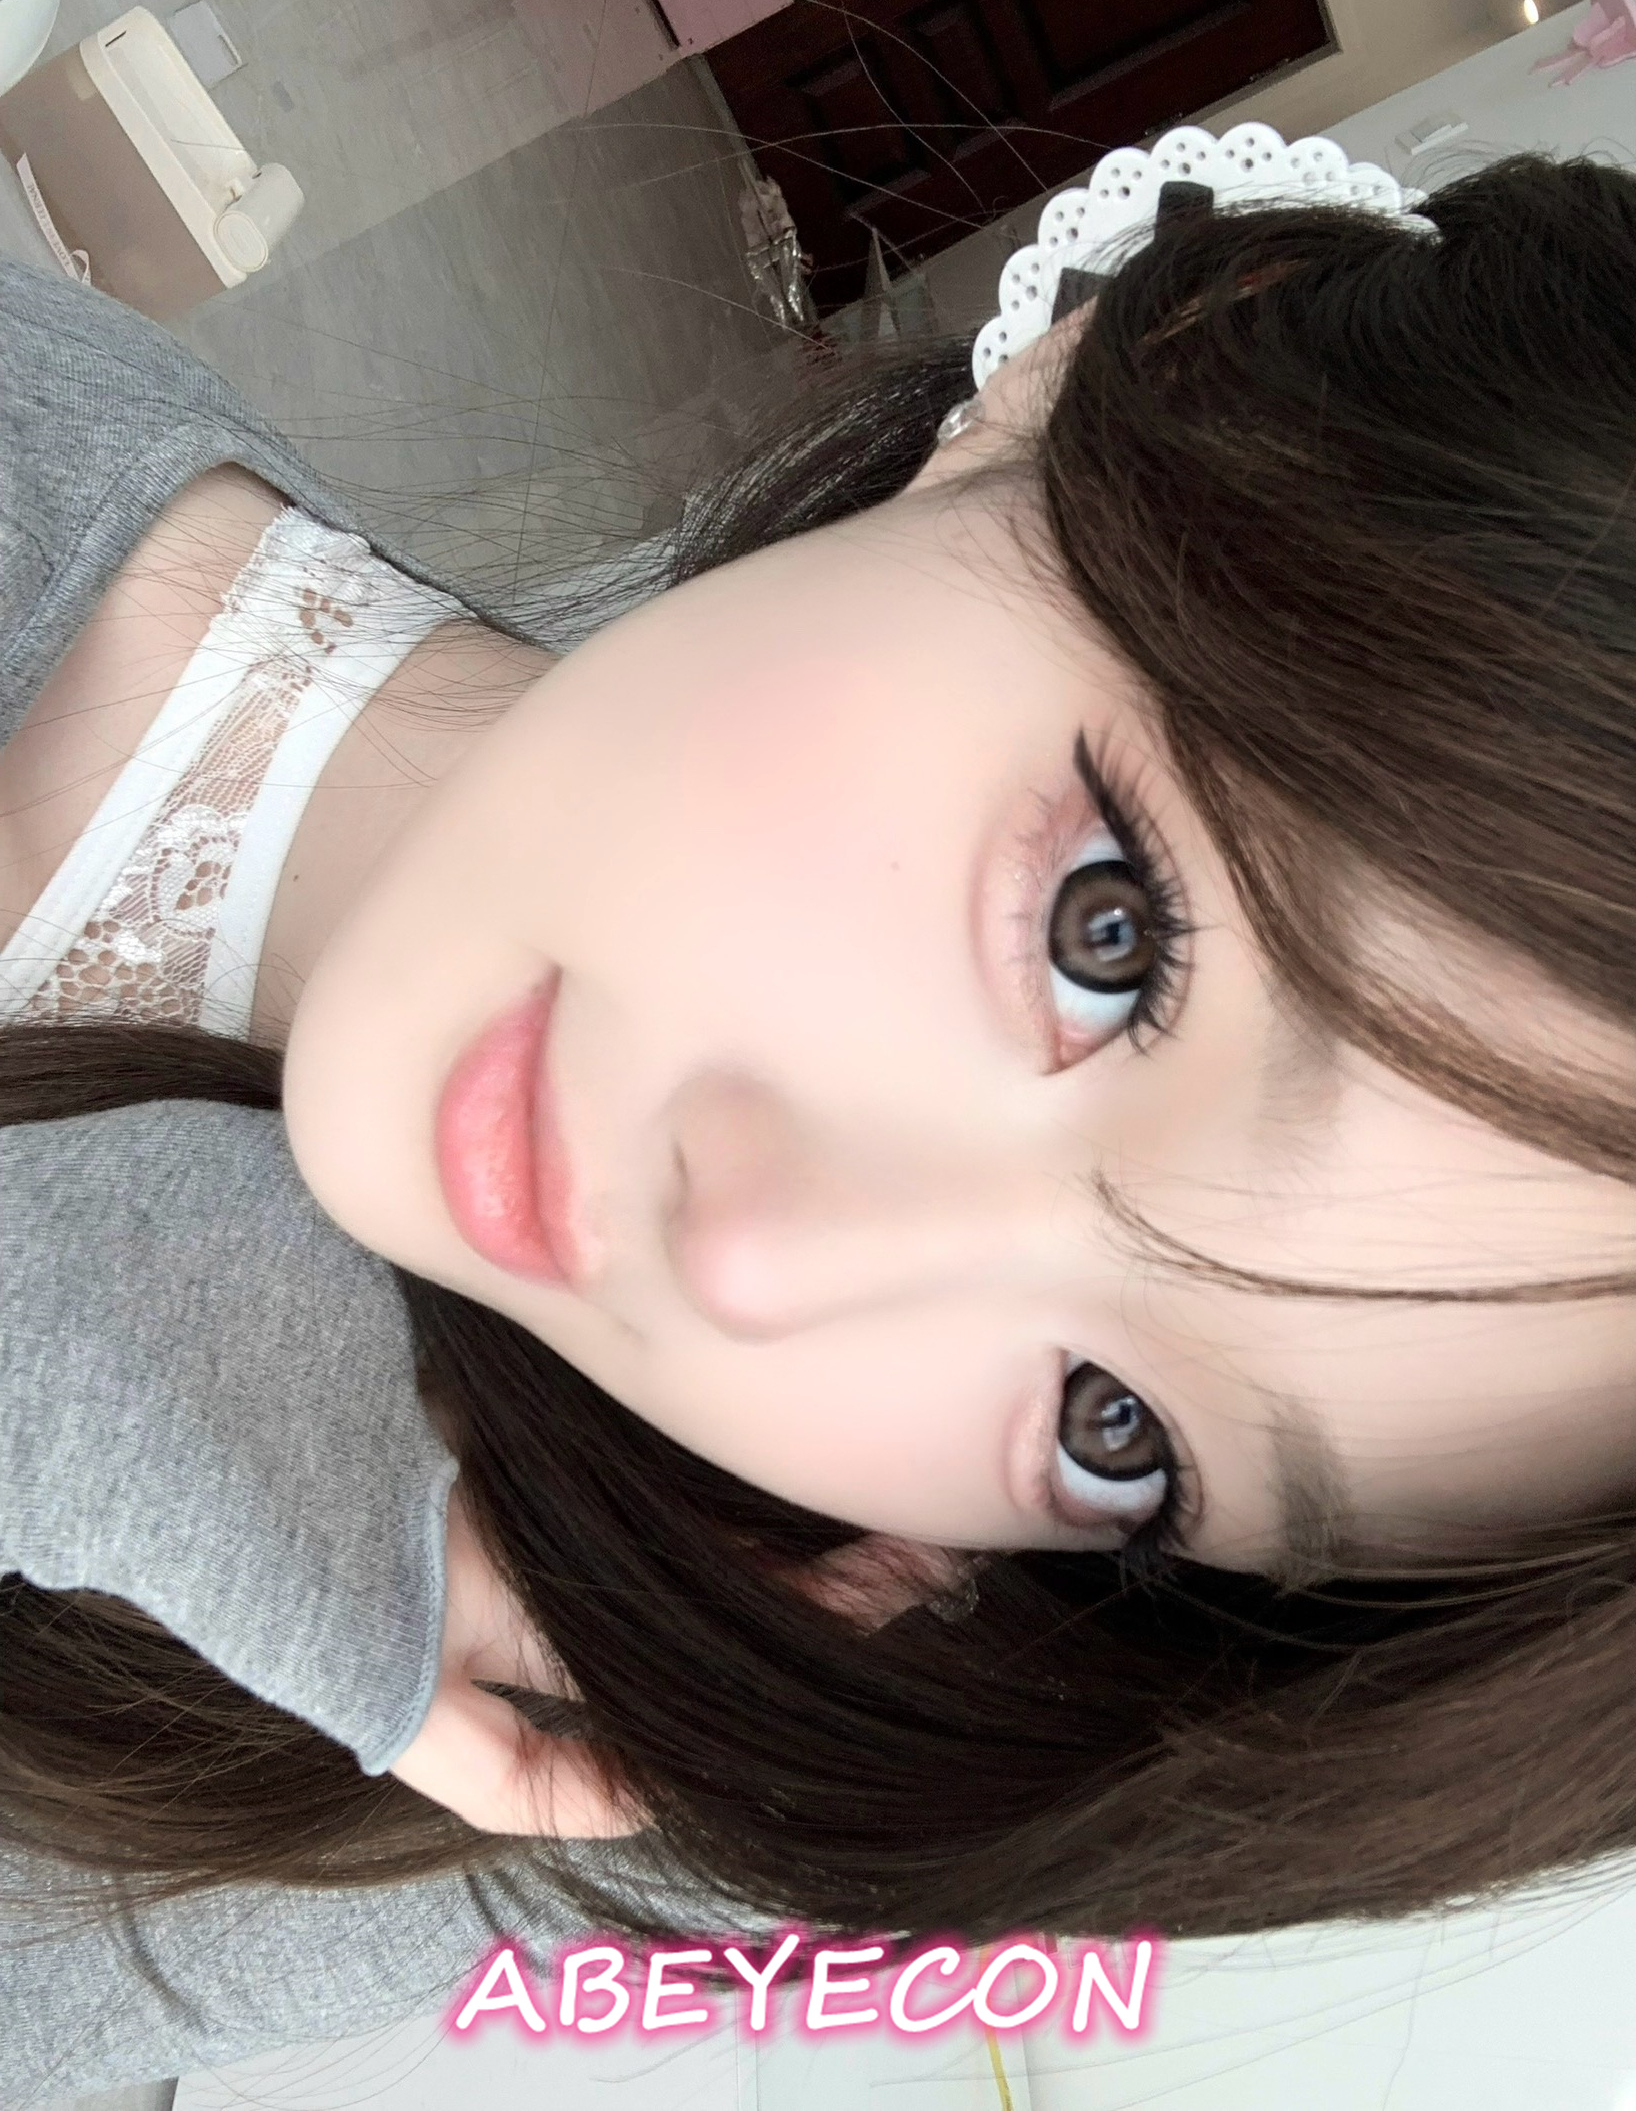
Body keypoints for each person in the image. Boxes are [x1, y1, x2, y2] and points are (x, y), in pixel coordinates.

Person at [2, 139, 1635, 2097]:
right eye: (1104, 937)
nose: (759, 1256)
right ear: (1104, 371)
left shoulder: (494, 1724)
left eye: (1111, 1428)